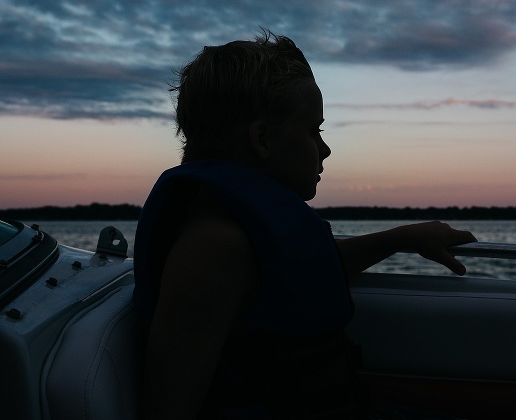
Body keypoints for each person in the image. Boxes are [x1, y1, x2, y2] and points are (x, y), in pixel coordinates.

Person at [133, 31, 476, 420]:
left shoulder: (239, 236)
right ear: (262, 138)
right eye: (315, 130)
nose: (325, 148)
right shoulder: (214, 245)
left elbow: (308, 270)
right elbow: (167, 406)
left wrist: (402, 238)